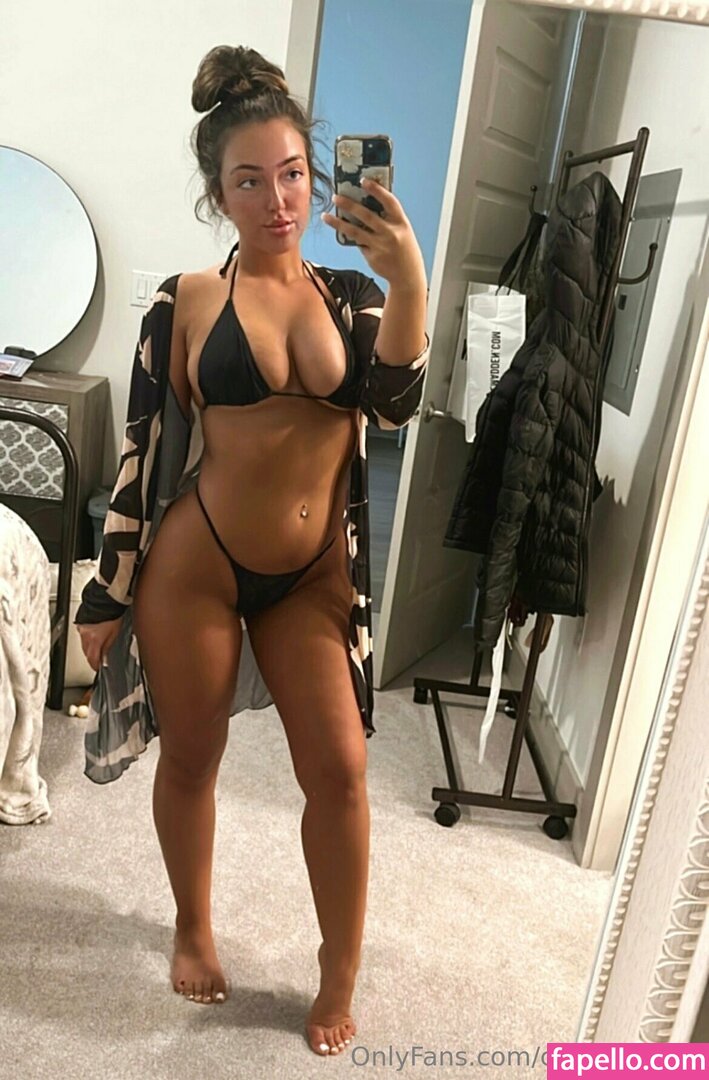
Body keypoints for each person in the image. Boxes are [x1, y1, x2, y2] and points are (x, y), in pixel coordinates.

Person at [75, 44, 429, 1058]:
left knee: (342, 772)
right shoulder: (184, 300)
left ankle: (337, 966)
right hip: (197, 564)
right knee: (193, 756)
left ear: (315, 176)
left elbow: (393, 405)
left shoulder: (355, 295)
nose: (276, 201)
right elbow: (142, 452)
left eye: (292, 174)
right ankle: (191, 924)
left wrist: (408, 276)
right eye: (247, 181)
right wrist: (107, 593)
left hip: (311, 579)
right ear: (216, 194)